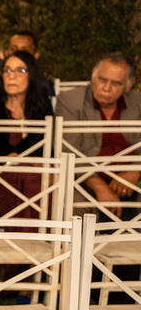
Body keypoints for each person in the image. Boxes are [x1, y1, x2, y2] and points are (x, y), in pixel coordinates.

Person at [0, 50, 53, 219]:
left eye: (19, 71)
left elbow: (48, 146)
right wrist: (15, 159)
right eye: (7, 70)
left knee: (42, 177)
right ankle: (31, 237)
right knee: (31, 177)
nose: (11, 76)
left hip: (33, 173)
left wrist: (23, 160)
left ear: (31, 75)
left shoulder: (42, 106)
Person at [55, 53, 141, 212]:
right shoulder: (70, 100)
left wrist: (135, 170)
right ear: (93, 74)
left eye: (116, 83)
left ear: (129, 85)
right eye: (102, 79)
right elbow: (68, 149)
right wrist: (99, 186)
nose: (107, 88)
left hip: (134, 182)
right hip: (85, 179)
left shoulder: (138, 103)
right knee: (73, 203)